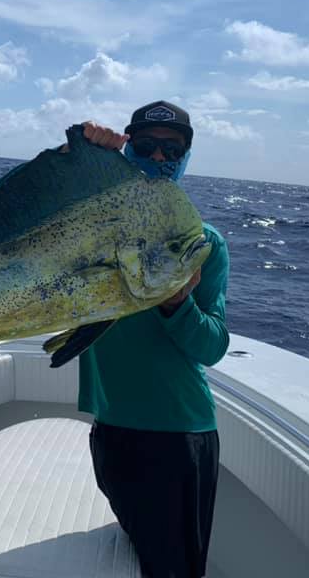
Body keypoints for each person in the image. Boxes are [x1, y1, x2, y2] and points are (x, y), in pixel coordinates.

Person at [76, 100, 230, 578]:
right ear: (129, 150)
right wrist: (79, 158)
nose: (160, 158)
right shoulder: (90, 228)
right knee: (136, 548)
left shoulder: (202, 242)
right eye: (146, 147)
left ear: (186, 155)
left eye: (172, 149)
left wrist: (175, 305)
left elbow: (213, 346)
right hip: (109, 427)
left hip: (177, 436)